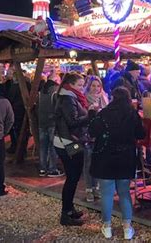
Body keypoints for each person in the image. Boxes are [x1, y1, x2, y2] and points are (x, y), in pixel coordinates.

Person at [89, 86, 145, 240]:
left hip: (105, 157)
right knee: (124, 193)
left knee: (107, 194)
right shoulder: (132, 114)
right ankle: (127, 228)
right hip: (125, 157)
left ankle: (107, 227)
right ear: (128, 98)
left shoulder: (104, 113)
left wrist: (92, 113)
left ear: (113, 98)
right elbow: (141, 134)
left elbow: (92, 132)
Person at [53, 72, 95, 226]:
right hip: (69, 142)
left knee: (73, 177)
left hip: (67, 141)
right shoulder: (68, 98)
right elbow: (72, 122)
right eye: (79, 85)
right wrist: (90, 114)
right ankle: (66, 214)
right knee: (72, 177)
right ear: (70, 85)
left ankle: (69, 209)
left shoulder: (68, 96)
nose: (82, 88)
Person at [83, 75, 108, 202]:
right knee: (88, 162)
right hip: (88, 134)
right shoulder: (84, 98)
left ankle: (97, 187)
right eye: (93, 85)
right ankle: (89, 188)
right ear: (89, 86)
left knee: (98, 161)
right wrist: (91, 110)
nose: (96, 88)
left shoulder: (104, 97)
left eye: (98, 86)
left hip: (101, 134)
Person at [37, 70, 63, 177]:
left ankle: (42, 168)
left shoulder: (41, 90)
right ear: (56, 80)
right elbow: (58, 107)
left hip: (42, 122)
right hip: (52, 122)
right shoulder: (56, 90)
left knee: (43, 146)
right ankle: (52, 168)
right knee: (53, 146)